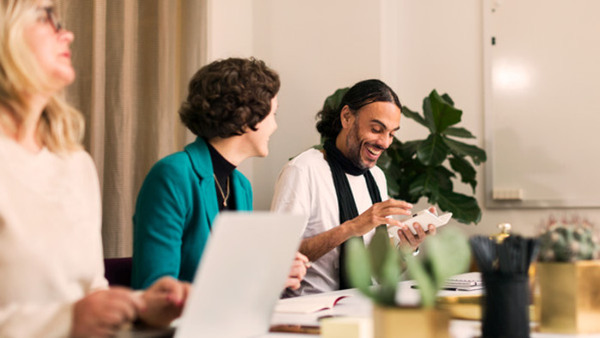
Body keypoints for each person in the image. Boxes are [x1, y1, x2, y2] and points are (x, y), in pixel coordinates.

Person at [0, 1, 189, 337]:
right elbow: (73, 316)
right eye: (49, 19)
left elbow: (90, 293)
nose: (68, 34)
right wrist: (65, 322)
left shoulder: (75, 164)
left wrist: (142, 308)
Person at [131, 57, 308, 291]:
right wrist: (260, 280)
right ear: (246, 117)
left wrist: (270, 271)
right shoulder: (172, 175)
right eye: (273, 114)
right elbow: (154, 291)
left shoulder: (242, 187)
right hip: (176, 328)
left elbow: (233, 276)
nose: (274, 126)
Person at [271, 79, 437, 297]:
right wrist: (350, 228)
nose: (385, 143)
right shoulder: (302, 171)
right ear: (347, 117)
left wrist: (406, 248)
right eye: (377, 129)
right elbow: (276, 260)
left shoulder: (377, 177)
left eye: (391, 133)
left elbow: (382, 273)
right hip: (310, 315)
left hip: (365, 308)